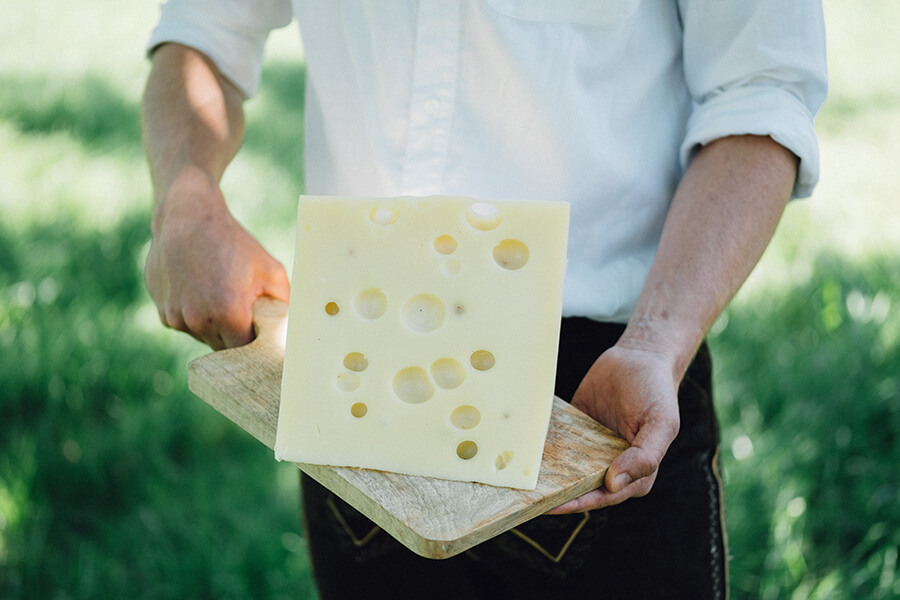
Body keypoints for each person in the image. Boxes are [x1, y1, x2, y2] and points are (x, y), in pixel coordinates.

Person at [142, 2, 827, 598]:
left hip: (606, 390)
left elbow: (761, 89)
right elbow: (202, 32)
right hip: (354, 383)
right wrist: (186, 195)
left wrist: (657, 341)